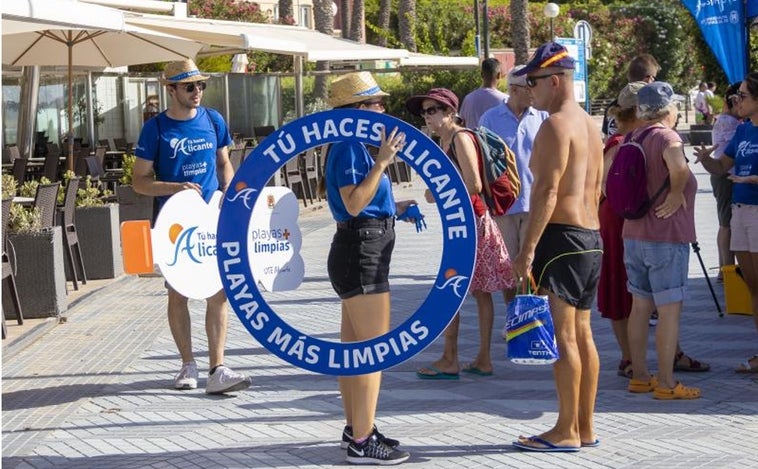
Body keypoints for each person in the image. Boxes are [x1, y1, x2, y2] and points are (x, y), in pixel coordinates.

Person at [132, 59, 251, 395]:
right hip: (174, 223)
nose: (197, 92)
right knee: (178, 292)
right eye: (189, 86)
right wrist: (174, 187)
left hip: (211, 220)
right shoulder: (155, 129)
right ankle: (187, 364)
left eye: (200, 85)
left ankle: (218, 368)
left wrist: (231, 198)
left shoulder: (213, 120)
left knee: (218, 292)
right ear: (171, 89)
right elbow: (139, 182)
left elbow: (224, 163)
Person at [510, 42, 604, 452]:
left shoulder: (554, 126)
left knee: (564, 335)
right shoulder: (590, 125)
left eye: (533, 82)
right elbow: (596, 190)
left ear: (555, 80)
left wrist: (527, 250)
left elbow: (546, 191)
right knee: (583, 333)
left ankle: (566, 430)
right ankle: (584, 427)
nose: (530, 91)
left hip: (562, 237)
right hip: (590, 238)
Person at [322, 71, 414, 465]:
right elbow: (356, 203)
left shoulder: (356, 145)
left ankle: (356, 428)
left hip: (362, 247)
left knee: (354, 351)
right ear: (358, 110)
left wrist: (397, 210)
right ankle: (363, 440)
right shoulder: (348, 147)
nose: (383, 110)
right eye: (376, 103)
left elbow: (367, 202)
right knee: (372, 353)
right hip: (362, 252)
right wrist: (381, 163)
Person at [407, 88, 514, 379]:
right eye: (425, 111)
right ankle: (479, 358)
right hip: (465, 222)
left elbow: (474, 184)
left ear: (451, 113)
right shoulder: (444, 140)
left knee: (452, 287)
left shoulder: (460, 138)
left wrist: (439, 192)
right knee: (478, 292)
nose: (428, 116)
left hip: (472, 223)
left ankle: (452, 358)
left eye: (434, 110)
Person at [622, 81, 701, 400]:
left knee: (640, 307)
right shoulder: (667, 137)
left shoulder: (633, 137)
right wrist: (677, 191)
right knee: (669, 310)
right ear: (667, 110)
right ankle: (667, 383)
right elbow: (678, 167)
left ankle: (640, 375)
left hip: (634, 234)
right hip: (665, 236)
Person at [694, 72, 758, 374]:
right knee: (752, 287)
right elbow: (722, 166)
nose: (736, 101)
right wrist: (705, 159)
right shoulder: (743, 131)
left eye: (743, 96)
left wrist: (753, 178)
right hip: (740, 210)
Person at [479, 65, 549, 308]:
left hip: (535, 202)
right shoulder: (490, 119)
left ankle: (536, 317)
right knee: (508, 268)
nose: (533, 93)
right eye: (529, 87)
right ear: (514, 89)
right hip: (504, 206)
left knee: (533, 264)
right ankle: (514, 315)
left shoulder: (542, 116)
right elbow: (483, 160)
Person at [598, 81, 647, 379]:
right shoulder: (618, 143)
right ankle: (628, 357)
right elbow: (600, 187)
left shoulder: (637, 139)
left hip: (628, 220)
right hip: (618, 221)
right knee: (620, 288)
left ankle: (639, 355)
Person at [706, 82, 742, 281]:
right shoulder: (730, 122)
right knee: (726, 223)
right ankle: (726, 269)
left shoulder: (726, 120)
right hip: (726, 174)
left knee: (725, 222)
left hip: (724, 174)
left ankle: (725, 268)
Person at [602, 54, 660, 140]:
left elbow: (607, 140)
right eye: (655, 79)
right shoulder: (647, 107)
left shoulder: (612, 106)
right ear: (649, 79)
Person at [458, 58, 508, 129]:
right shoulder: (505, 100)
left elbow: (462, 124)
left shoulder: (468, 99)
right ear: (498, 75)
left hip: (471, 140)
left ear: (482, 75)